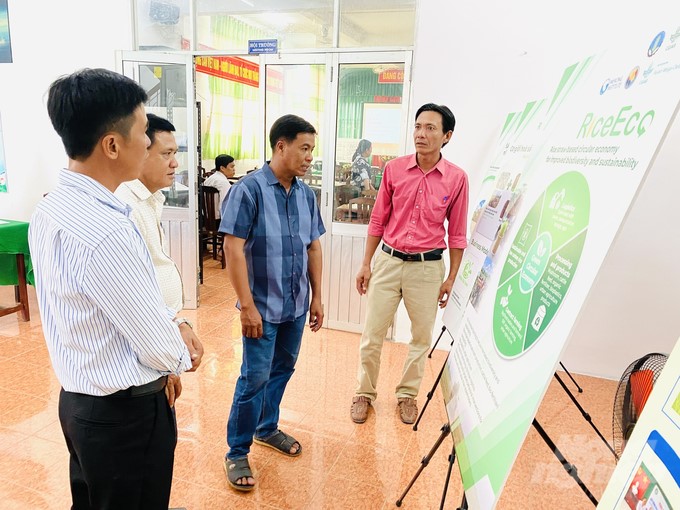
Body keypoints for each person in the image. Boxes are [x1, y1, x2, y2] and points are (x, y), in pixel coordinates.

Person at [28, 68, 204, 510]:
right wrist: (179, 356)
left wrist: (169, 326)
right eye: (144, 133)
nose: (149, 145)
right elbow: (156, 344)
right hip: (123, 418)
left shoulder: (49, 209)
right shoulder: (106, 230)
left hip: (79, 403)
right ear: (112, 145)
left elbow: (101, 309)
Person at [220, 114, 325, 492]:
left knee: (283, 368)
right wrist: (246, 306)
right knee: (254, 377)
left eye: (312, 149)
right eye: (305, 148)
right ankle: (236, 450)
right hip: (262, 307)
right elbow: (232, 250)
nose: (310, 156)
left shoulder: (305, 194)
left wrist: (317, 298)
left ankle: (267, 428)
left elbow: (313, 245)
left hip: (296, 305)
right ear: (281, 146)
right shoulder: (247, 190)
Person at [351, 103, 469, 425]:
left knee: (420, 337)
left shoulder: (457, 179)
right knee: (372, 332)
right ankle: (364, 392)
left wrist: (452, 277)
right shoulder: (394, 169)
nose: (421, 134)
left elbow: (457, 234)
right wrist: (366, 263)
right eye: (418, 126)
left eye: (431, 128)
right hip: (388, 261)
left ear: (447, 136)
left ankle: (407, 395)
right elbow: (378, 219)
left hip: (427, 268)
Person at [115, 113, 184, 313]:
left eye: (175, 153)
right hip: (152, 326)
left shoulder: (150, 198)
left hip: (166, 319)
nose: (175, 163)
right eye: (166, 154)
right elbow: (130, 291)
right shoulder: (126, 206)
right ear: (140, 151)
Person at [203, 154, 236, 218]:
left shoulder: (210, 178)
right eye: (232, 167)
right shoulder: (223, 183)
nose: (234, 169)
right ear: (222, 168)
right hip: (219, 219)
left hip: (207, 216)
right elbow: (226, 205)